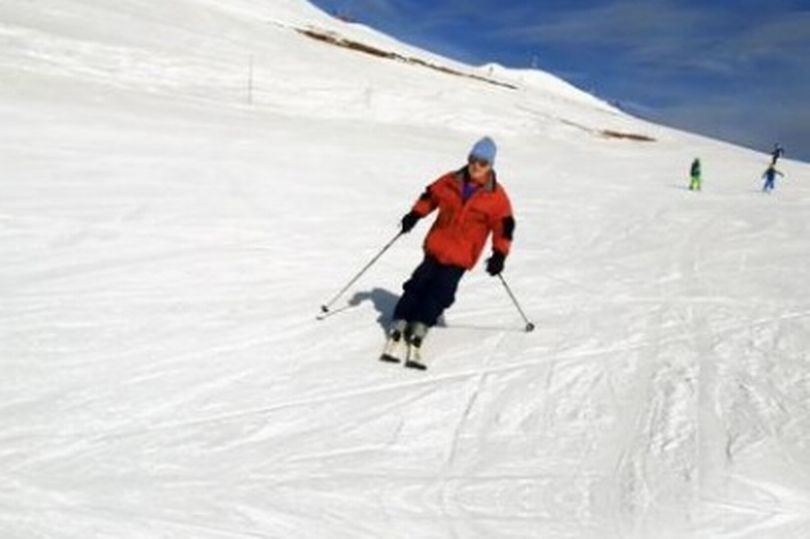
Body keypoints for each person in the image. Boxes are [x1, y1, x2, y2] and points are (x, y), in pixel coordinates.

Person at [381, 137, 515, 369]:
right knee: (418, 284)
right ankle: (400, 321)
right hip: (437, 246)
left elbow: (504, 226)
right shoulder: (450, 180)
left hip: (461, 255)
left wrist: (499, 255)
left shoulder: (497, 197)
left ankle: (420, 326)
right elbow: (430, 196)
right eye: (473, 160)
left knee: (442, 293)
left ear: (491, 165)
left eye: (482, 162)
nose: (476, 166)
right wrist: (414, 215)